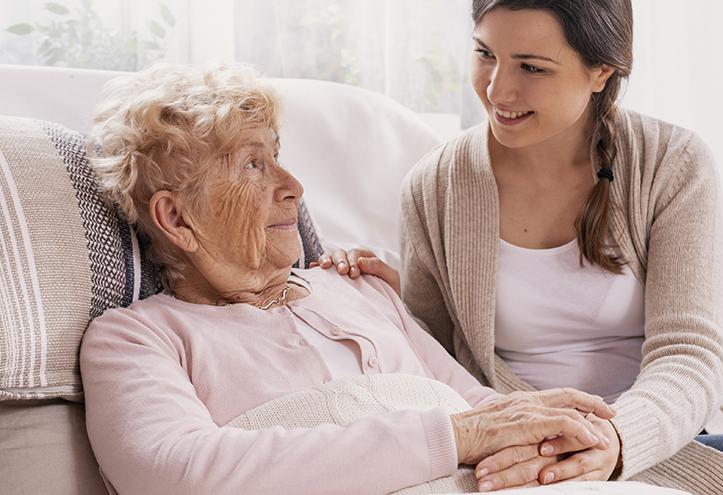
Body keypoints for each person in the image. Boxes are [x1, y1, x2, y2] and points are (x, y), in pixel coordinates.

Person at [318, 1, 723, 494]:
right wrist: (383, 305)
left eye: (532, 67)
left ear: (601, 72)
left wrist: (615, 440)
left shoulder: (673, 163)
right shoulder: (433, 185)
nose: (498, 89)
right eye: (486, 54)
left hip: (667, 437)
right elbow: (435, 365)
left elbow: (691, 352)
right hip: (522, 454)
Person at [78, 64, 623, 495]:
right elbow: (178, 474)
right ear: (176, 219)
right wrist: (455, 437)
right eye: (252, 165)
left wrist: (555, 434)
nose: (294, 186)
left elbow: (477, 406)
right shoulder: (135, 338)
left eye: (278, 157)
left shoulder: (363, 286)